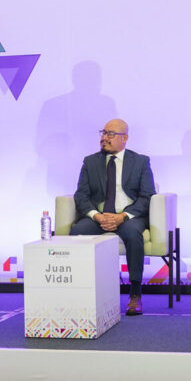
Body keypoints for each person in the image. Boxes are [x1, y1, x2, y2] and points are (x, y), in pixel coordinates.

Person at [69, 118, 155, 316]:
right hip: (99, 217)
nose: (104, 138)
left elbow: (147, 196)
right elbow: (81, 195)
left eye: (111, 134)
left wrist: (122, 216)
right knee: (77, 232)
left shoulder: (141, 162)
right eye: (103, 133)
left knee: (133, 234)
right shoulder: (90, 162)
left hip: (129, 216)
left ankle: (135, 293)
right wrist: (96, 216)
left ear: (125, 138)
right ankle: (81, 290)